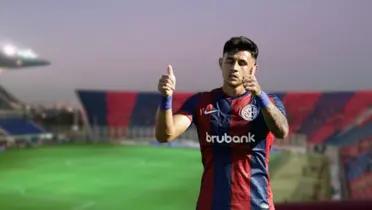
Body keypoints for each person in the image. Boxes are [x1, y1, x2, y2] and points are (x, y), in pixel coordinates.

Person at [155, 36, 289, 210]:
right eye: (230, 61)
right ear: (221, 63)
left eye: (242, 63)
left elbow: (282, 131)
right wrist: (166, 98)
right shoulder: (201, 102)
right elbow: (165, 135)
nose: (234, 67)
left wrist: (260, 96)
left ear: (253, 69)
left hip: (256, 205)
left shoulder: (268, 102)